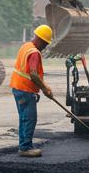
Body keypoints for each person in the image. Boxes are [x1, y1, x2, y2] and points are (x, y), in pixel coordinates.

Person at [11, 25, 56, 157]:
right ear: (41, 40)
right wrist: (44, 88)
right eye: (46, 43)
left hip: (18, 88)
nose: (45, 46)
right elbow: (33, 74)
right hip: (25, 90)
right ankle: (25, 148)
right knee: (29, 118)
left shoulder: (26, 46)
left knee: (24, 118)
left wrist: (41, 88)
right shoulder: (34, 52)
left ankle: (23, 145)